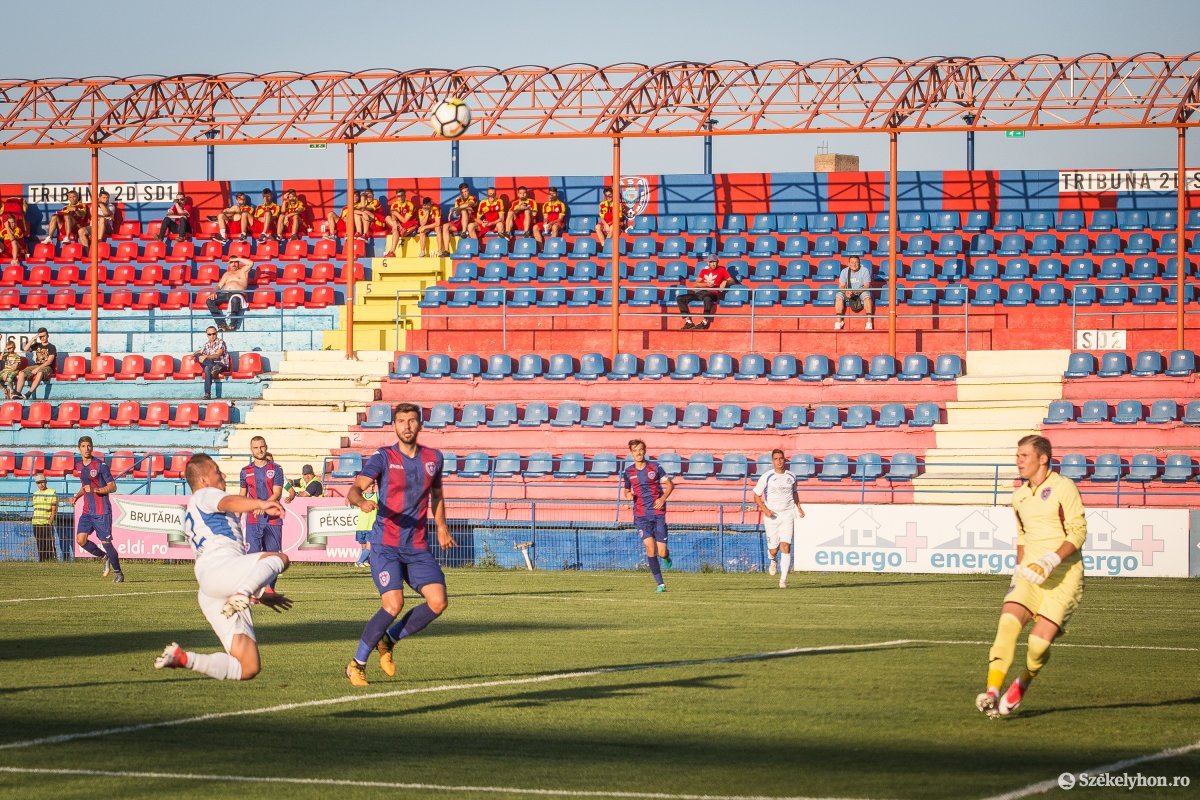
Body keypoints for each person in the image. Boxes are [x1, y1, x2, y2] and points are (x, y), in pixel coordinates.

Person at [154, 453, 293, 681]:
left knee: (248, 667)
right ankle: (242, 592)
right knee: (280, 558)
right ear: (203, 480)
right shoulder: (204, 494)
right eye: (217, 471)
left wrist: (258, 593)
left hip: (211, 587)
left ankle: (185, 659)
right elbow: (227, 501)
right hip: (221, 568)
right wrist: (261, 503)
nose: (223, 475)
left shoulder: (195, 507)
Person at [976, 435, 1087, 719]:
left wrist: (1051, 560)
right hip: (1029, 575)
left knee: (1038, 647)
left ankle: (1024, 679)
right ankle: (991, 692)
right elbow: (1022, 536)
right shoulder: (1019, 496)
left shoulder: (1064, 487)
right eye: (1017, 456)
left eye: (1024, 455)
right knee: (1007, 625)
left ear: (1043, 458)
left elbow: (1078, 532)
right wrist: (1020, 567)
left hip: (1064, 578)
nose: (1018, 461)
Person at [345, 402, 455, 686]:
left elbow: (437, 496)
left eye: (412, 420)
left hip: (417, 546)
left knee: (438, 601)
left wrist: (442, 527)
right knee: (393, 603)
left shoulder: (433, 458)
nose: (407, 426)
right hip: (385, 544)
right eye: (401, 421)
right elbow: (354, 489)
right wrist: (362, 502)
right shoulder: (384, 457)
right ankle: (356, 664)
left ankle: (389, 640)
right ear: (394, 425)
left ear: (420, 424)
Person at [622, 439, 674, 593]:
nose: (638, 453)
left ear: (644, 451)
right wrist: (628, 495)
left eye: (640, 449)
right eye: (635, 450)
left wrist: (662, 499)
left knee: (661, 552)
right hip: (641, 515)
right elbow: (626, 491)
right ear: (631, 453)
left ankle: (666, 557)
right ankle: (660, 584)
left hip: (657, 514)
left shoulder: (655, 467)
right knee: (650, 548)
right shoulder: (628, 472)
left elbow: (670, 485)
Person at [72, 435, 124, 582]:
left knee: (106, 543)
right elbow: (85, 486)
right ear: (79, 449)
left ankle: (118, 573)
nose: (86, 449)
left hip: (102, 511)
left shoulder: (101, 465)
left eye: (89, 446)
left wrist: (96, 490)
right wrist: (77, 496)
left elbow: (113, 486)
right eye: (83, 446)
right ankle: (103, 556)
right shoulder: (79, 466)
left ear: (92, 447)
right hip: (87, 511)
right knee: (81, 540)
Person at [752, 449, 806, 589]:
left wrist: (799, 507)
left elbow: (794, 493)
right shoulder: (767, 476)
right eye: (776, 459)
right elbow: (756, 495)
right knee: (773, 550)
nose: (779, 461)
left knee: (786, 546)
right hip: (772, 516)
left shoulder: (791, 476)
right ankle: (773, 559)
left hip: (787, 514)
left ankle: (783, 580)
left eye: (781, 458)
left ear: (784, 460)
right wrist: (765, 510)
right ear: (772, 461)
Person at [240, 436, 285, 589]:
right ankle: (254, 590)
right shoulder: (245, 471)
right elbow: (242, 495)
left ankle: (270, 590)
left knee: (272, 557)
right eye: (256, 448)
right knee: (253, 558)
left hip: (273, 519)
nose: (259, 450)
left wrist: (264, 505)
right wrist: (237, 516)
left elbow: (277, 493)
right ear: (251, 450)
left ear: (266, 447)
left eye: (262, 447)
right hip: (252, 520)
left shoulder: (276, 469)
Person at [676, 257, 733, 330]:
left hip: (712, 293)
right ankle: (688, 322)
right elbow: (695, 284)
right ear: (708, 263)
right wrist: (706, 284)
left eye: (715, 262)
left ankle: (705, 322)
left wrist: (725, 281)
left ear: (717, 262)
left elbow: (732, 280)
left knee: (707, 298)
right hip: (701, 293)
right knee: (680, 298)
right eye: (711, 262)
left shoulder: (722, 269)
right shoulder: (704, 271)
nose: (713, 264)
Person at [205, 255, 251, 332]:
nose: (234, 264)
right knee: (209, 301)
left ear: (238, 263)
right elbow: (219, 286)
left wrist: (238, 258)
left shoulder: (243, 271)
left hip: (238, 294)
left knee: (235, 299)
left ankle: (233, 325)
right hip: (226, 294)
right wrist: (214, 292)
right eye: (231, 262)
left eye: (236, 262)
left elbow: (251, 263)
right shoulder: (226, 274)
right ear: (229, 263)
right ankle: (221, 324)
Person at [13, 328, 56, 400]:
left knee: (40, 373)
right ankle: (17, 394)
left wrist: (37, 368)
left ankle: (28, 394)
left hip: (47, 366)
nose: (42, 338)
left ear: (48, 336)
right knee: (21, 373)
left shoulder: (52, 347)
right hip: (36, 365)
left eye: (44, 336)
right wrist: (33, 339)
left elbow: (49, 362)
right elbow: (25, 349)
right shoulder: (37, 345)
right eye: (40, 337)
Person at [834, 254, 874, 330]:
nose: (854, 264)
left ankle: (869, 322)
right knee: (838, 296)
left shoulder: (865, 270)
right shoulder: (844, 271)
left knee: (867, 297)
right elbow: (841, 286)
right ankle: (839, 322)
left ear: (859, 263)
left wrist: (855, 291)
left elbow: (866, 286)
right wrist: (845, 292)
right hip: (848, 292)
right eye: (852, 262)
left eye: (856, 262)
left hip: (861, 291)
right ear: (848, 263)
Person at [439, 183, 478, 257]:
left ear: (468, 191)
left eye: (466, 191)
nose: (465, 193)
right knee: (445, 226)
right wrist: (459, 209)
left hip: (472, 220)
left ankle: (464, 232)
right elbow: (457, 214)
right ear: (460, 192)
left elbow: (468, 204)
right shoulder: (458, 199)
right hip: (462, 220)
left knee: (463, 210)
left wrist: (456, 209)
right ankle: (447, 250)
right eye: (462, 192)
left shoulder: (473, 198)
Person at [194, 326, 231, 401]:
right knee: (199, 357)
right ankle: (213, 367)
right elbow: (200, 352)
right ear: (207, 335)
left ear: (216, 333)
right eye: (209, 334)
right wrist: (193, 355)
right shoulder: (206, 344)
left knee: (207, 368)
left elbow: (217, 355)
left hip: (221, 364)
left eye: (214, 334)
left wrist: (206, 356)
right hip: (212, 365)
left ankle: (207, 394)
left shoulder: (221, 342)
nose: (212, 336)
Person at [31, 473, 59, 562]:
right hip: (36, 521)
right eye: (38, 483)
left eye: (42, 482)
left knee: (49, 542)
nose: (41, 484)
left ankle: (51, 559)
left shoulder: (52, 492)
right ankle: (42, 559)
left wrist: (51, 519)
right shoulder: (35, 494)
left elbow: (54, 508)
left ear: (46, 482)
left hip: (47, 521)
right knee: (39, 542)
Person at [384, 189, 417, 257]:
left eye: (402, 195)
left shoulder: (410, 205)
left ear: (405, 196)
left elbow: (405, 220)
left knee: (395, 229)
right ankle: (392, 252)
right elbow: (393, 219)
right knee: (388, 218)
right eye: (398, 196)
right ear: (396, 197)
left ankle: (392, 251)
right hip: (400, 225)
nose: (400, 197)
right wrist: (397, 225)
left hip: (409, 223)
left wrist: (395, 213)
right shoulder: (394, 204)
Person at [353, 480, 378, 568]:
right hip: (361, 526)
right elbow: (352, 503)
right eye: (369, 487)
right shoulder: (360, 497)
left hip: (372, 527)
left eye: (373, 486)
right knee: (363, 546)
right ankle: (365, 562)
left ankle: (359, 562)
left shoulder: (377, 495)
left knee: (369, 547)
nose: (371, 488)